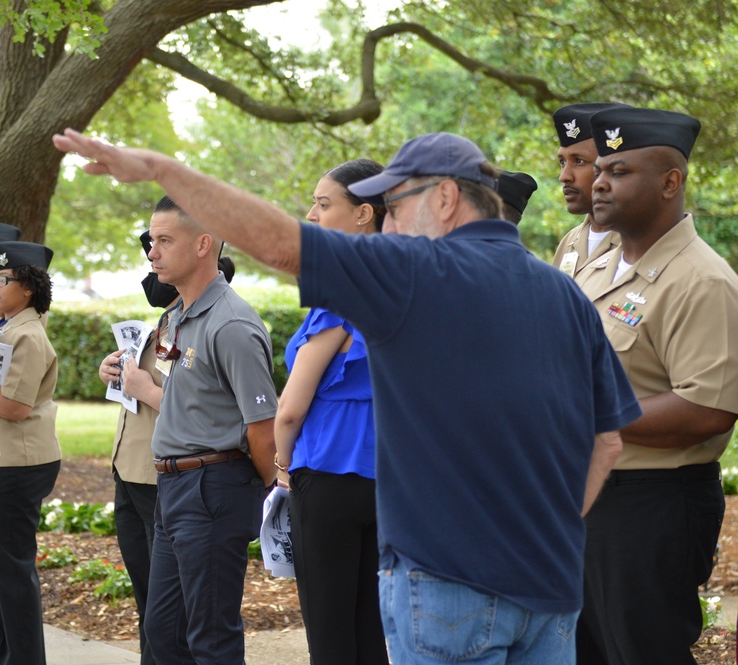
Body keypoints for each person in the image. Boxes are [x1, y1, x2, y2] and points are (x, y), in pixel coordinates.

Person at [52, 128, 642, 665]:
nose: (388, 221)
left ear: (444, 200)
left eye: (397, 203)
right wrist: (553, 525)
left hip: (449, 581)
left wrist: (163, 170)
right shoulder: (563, 292)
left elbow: (282, 245)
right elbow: (607, 441)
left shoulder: (415, 272)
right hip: (551, 583)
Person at [574, 106, 738, 665]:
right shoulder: (597, 268)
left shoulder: (703, 280)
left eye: (619, 171)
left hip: (652, 505)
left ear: (671, 182)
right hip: (587, 496)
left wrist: (580, 416)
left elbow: (707, 410)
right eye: (600, 170)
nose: (598, 181)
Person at [126, 194, 276, 665]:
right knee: (165, 631)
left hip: (211, 487)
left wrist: (256, 488)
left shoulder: (231, 323)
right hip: (174, 487)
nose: (152, 251)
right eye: (152, 240)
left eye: (164, 240)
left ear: (203, 244)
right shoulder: (180, 317)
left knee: (211, 635)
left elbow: (262, 427)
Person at [98, 227, 237, 665]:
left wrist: (144, 389)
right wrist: (114, 372)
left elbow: (207, 409)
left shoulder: (211, 325)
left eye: (162, 250)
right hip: (132, 470)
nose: (154, 262)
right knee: (153, 607)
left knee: (183, 617)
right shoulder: (163, 322)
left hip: (170, 478)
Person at [273, 158, 389, 665]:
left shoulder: (340, 295)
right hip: (388, 477)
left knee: (329, 630)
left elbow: (290, 410)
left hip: (326, 473)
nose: (312, 216)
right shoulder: (402, 285)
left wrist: (280, 465)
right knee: (370, 627)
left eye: (324, 204)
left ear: (364, 213)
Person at [0, 240, 62, 665]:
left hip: (18, 463)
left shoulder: (27, 334)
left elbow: (14, 407)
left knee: (11, 570)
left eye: (2, 280)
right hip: (1, 459)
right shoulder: (3, 324)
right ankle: (5, 654)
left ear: (27, 287)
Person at [550, 102, 630, 277]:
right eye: (562, 162)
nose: (564, 176)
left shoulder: (639, 244)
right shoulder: (570, 242)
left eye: (579, 161)